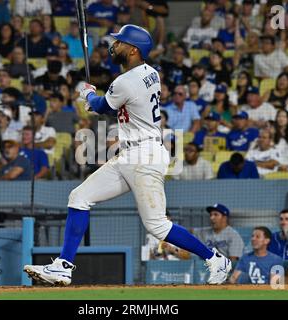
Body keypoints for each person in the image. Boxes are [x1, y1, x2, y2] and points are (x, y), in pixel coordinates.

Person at [24, 24, 231, 286]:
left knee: (157, 226)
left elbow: (102, 106)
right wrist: (96, 98)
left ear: (134, 50)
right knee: (79, 197)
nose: (115, 45)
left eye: (121, 42)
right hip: (131, 154)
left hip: (144, 155)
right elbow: (112, 104)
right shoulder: (150, 73)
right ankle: (64, 267)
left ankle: (215, 259)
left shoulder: (125, 81)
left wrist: (88, 94)